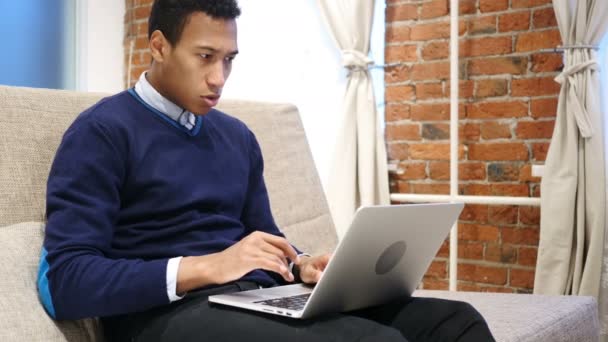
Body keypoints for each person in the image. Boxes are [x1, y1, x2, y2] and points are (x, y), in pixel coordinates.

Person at [37, 0, 495, 341]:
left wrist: (300, 264)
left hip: (252, 301)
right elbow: (68, 282)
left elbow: (263, 235)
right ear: (159, 46)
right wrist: (205, 267)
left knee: (454, 324)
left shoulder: (237, 137)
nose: (219, 77)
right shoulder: (101, 132)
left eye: (229, 59)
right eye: (204, 56)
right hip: (163, 317)